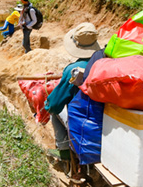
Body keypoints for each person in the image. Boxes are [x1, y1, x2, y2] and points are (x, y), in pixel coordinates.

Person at [44, 23, 102, 160]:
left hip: (84, 123)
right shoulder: (105, 60)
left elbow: (54, 104)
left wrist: (47, 105)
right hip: (105, 118)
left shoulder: (74, 69)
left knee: (54, 110)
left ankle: (64, 150)